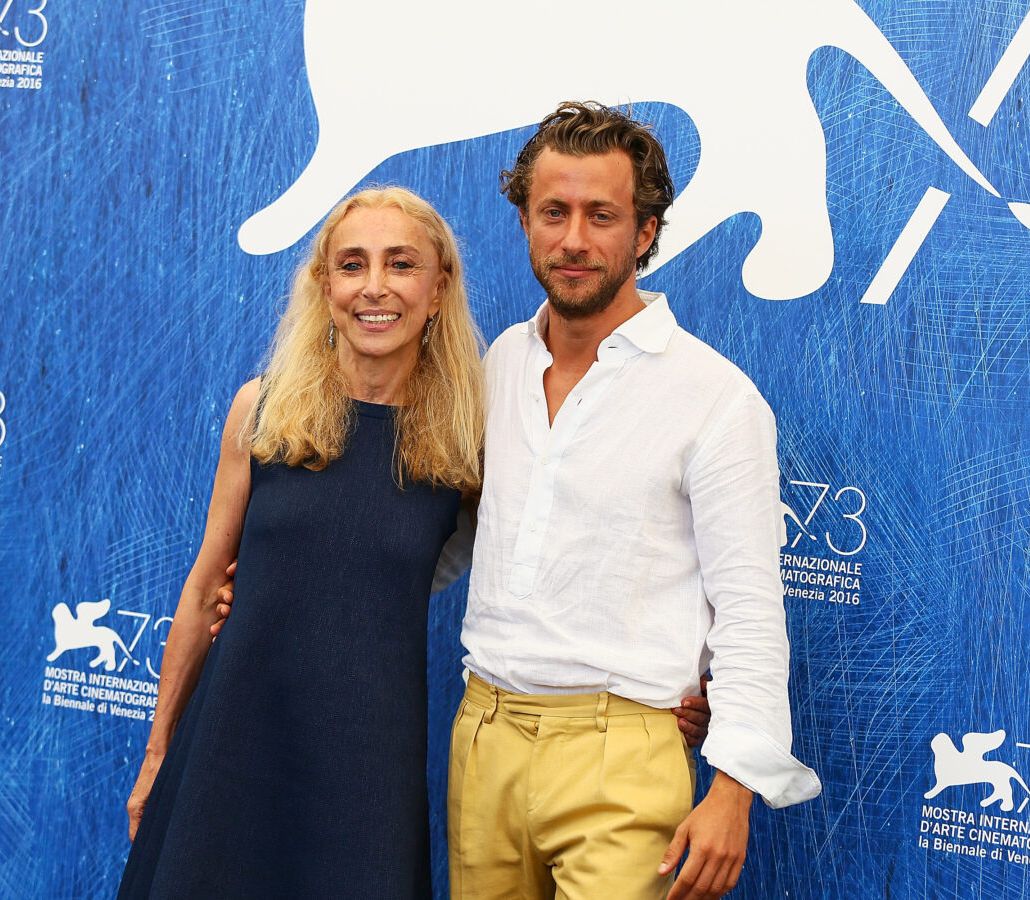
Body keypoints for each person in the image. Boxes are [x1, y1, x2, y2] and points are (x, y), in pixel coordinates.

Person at [449, 102, 821, 900]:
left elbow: (751, 607)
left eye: (602, 215)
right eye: (554, 212)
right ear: (524, 220)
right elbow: (444, 539)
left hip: (624, 752)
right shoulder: (497, 365)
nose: (574, 240)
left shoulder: (715, 397)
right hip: (481, 739)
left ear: (646, 232)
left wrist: (734, 787)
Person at [117, 186, 487, 898]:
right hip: (232, 744)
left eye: (401, 264)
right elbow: (203, 590)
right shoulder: (263, 410)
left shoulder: (467, 446)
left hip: (367, 772)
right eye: (352, 265)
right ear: (324, 286)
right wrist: (158, 750)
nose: (374, 287)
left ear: (438, 289)